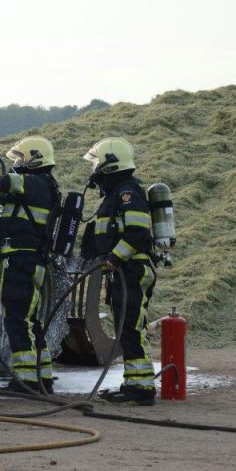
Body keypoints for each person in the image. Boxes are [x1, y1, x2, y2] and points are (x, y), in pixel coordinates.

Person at [0, 136, 60, 393]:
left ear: (35, 159)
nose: (17, 164)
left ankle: (25, 381)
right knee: (30, 320)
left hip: (21, 259)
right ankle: (41, 376)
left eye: (21, 159)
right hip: (26, 259)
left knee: (17, 318)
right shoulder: (32, 189)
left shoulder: (37, 184)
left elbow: (6, 183)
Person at [82, 137, 157, 406]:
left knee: (132, 328)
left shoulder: (128, 193)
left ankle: (142, 389)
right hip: (124, 272)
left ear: (110, 165)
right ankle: (133, 383)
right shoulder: (115, 195)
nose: (95, 170)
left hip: (133, 270)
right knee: (127, 328)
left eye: (98, 164)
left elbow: (137, 232)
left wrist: (115, 257)